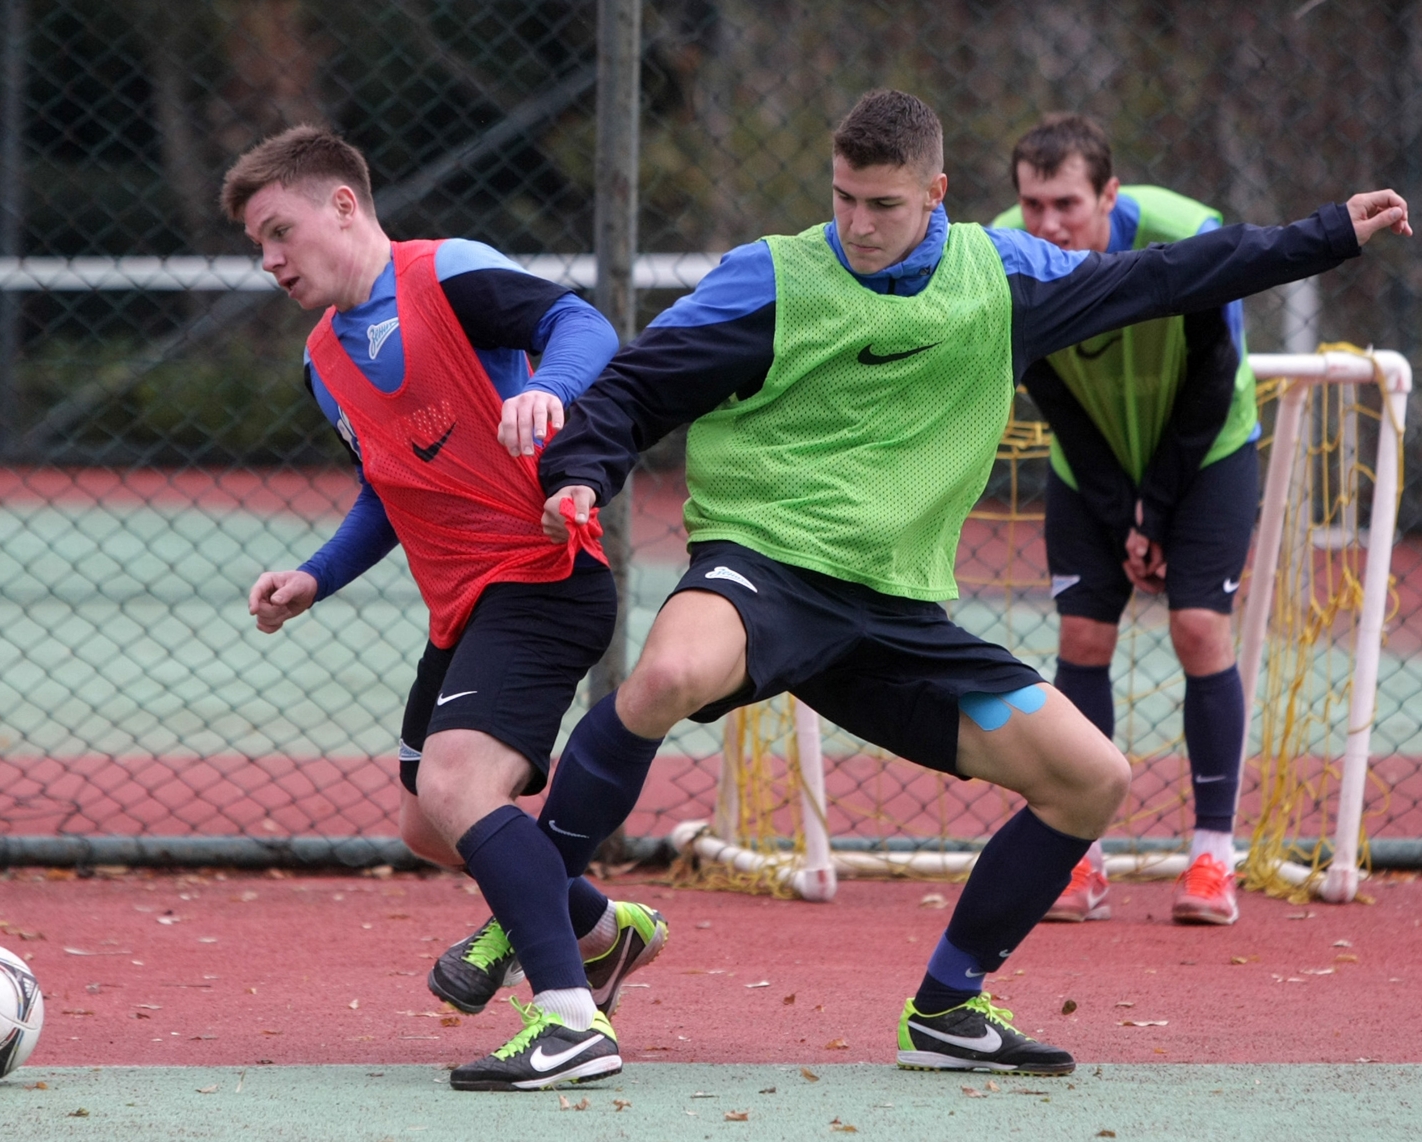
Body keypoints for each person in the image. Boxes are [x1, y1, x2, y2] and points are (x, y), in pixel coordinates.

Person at [526, 90, 1407, 1075]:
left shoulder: (1005, 275)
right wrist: (578, 473)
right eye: (843, 196)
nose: (857, 223)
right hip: (767, 565)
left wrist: (1323, 234)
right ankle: (537, 930)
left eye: (883, 204)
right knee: (661, 675)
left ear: (936, 194)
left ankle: (946, 1006)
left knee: (1092, 777)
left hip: (897, 610)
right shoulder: (773, 276)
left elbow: (1171, 276)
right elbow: (639, 383)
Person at [223, 125, 667, 1091]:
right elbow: (387, 490)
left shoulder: (449, 276)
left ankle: (569, 1020)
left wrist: (548, 391)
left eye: (280, 232)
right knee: (430, 827)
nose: (269, 260)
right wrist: (315, 576)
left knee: (461, 789)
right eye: (258, 245)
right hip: (463, 609)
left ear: (343, 204)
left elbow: (585, 326)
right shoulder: (323, 362)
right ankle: (599, 931)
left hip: (545, 580)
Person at [994, 114, 1261, 925]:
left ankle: (1213, 856)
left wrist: (1160, 511)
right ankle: (1081, 859)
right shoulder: (1003, 255)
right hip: (1093, 458)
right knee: (1082, 639)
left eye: (1067, 203)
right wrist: (1124, 516)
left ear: (1110, 193)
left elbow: (1212, 380)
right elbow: (1058, 402)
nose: (1048, 225)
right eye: (1033, 204)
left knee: (1198, 629)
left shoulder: (1188, 234)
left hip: (1205, 449)